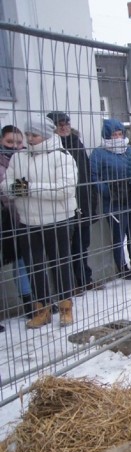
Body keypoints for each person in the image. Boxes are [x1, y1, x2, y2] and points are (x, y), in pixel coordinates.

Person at [1, 115, 78, 329]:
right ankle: (42, 309)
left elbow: (65, 189)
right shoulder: (19, 158)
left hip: (58, 220)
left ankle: (65, 308)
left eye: (33, 135)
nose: (29, 139)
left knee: (60, 263)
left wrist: (29, 188)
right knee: (35, 267)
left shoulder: (62, 157)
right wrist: (28, 189)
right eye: (28, 134)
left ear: (45, 135)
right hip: (28, 220)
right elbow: (6, 186)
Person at [47, 112, 97, 295]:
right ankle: (70, 285)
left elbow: (87, 174)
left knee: (82, 244)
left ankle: (85, 279)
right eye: (59, 124)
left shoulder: (77, 144)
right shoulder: (52, 149)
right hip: (63, 205)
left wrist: (92, 201)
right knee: (65, 248)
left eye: (66, 123)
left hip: (82, 202)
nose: (64, 127)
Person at [89, 118, 131, 279]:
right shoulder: (99, 153)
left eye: (119, 134)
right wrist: (107, 190)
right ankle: (122, 267)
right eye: (113, 135)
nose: (117, 137)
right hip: (113, 203)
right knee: (118, 236)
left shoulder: (129, 151)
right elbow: (94, 176)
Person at [0, 125, 33, 319]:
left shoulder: (26, 160)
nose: (15, 146)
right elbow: (11, 192)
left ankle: (30, 301)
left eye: (19, 142)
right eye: (10, 142)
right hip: (5, 221)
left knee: (24, 262)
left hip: (24, 219)